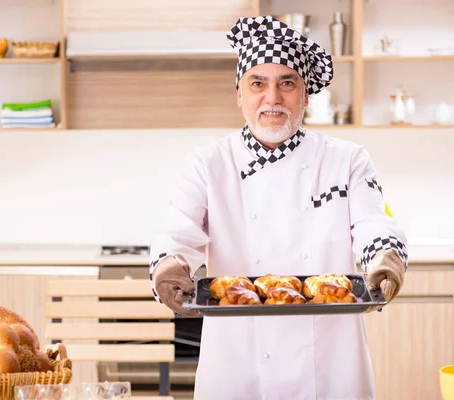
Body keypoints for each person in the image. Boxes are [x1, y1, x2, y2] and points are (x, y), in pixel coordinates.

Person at [148, 16, 407, 400]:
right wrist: (168, 266)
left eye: (287, 83)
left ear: (305, 96)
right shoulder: (207, 164)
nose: (272, 98)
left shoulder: (347, 159)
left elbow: (373, 223)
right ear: (239, 94)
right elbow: (178, 233)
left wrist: (387, 257)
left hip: (331, 366)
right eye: (258, 84)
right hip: (237, 366)